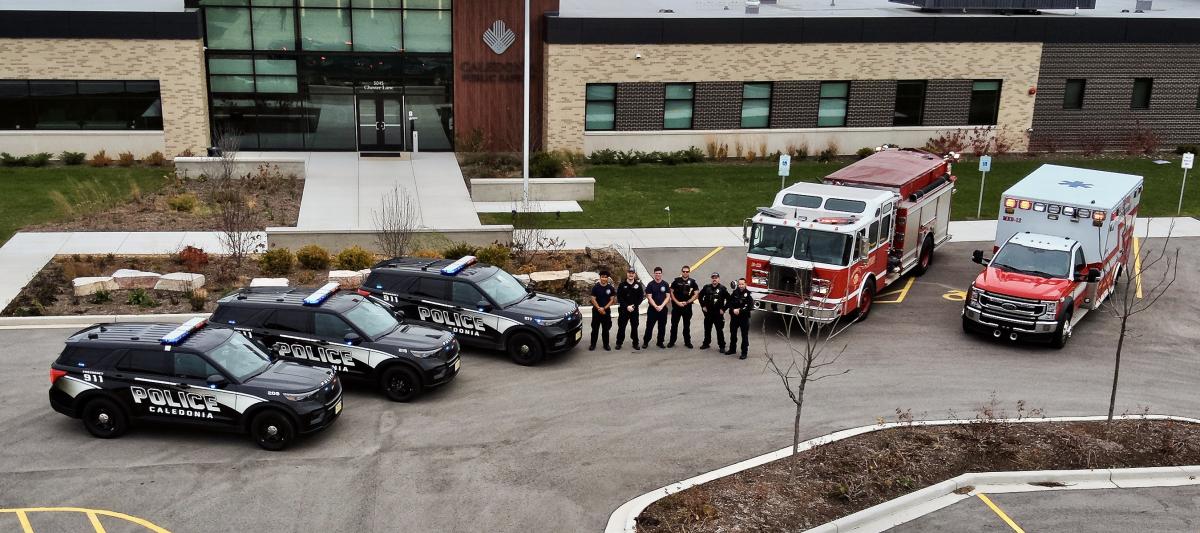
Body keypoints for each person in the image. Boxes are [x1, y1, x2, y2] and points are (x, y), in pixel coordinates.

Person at [668, 265, 700, 348]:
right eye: (684, 271)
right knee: (674, 325)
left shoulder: (693, 282)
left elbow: (696, 294)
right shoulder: (676, 281)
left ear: (689, 272)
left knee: (686, 326)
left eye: (687, 271)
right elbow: (671, 292)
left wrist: (688, 302)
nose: (685, 273)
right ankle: (672, 341)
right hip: (676, 307)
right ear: (681, 272)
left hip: (687, 307)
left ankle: (687, 342)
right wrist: (677, 302)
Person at [698, 272, 729, 352]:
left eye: (716, 278)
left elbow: (729, 300)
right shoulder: (706, 287)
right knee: (707, 329)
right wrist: (703, 306)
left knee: (719, 330)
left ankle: (722, 346)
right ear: (711, 279)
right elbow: (700, 296)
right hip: (708, 313)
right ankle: (706, 343)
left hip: (718, 314)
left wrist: (724, 309)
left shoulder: (723, 289)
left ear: (718, 279)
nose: (714, 279)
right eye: (713, 278)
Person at [615, 268, 643, 350]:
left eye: (632, 273)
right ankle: (619, 343)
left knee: (634, 327)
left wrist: (633, 306)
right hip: (624, 310)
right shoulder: (622, 285)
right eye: (629, 273)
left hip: (634, 310)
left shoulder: (638, 285)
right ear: (627, 274)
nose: (631, 274)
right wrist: (627, 306)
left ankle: (635, 343)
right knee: (622, 327)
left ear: (634, 274)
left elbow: (640, 298)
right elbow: (619, 298)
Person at [726, 278, 754, 359]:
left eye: (742, 284)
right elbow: (729, 303)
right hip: (734, 317)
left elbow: (750, 307)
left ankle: (744, 353)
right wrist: (733, 309)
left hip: (744, 318)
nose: (740, 286)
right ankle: (732, 349)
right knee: (733, 333)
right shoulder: (735, 293)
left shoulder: (748, 295)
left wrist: (740, 310)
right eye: (739, 284)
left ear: (745, 285)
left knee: (744, 336)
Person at [642, 267, 670, 349]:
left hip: (663, 309)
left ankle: (660, 342)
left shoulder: (665, 284)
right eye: (656, 273)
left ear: (661, 274)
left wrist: (661, 306)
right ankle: (646, 342)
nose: (658, 274)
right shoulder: (650, 284)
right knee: (649, 327)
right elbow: (649, 297)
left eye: (659, 273)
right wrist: (655, 306)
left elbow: (668, 296)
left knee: (662, 327)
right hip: (652, 310)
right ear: (654, 274)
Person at [588, 270, 615, 351]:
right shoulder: (595, 287)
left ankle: (606, 345)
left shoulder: (610, 288)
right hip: (596, 311)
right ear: (600, 277)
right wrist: (599, 308)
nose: (604, 279)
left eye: (605, 277)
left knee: (606, 329)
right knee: (595, 329)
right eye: (602, 277)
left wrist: (604, 308)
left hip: (606, 311)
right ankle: (593, 344)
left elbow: (612, 300)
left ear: (607, 278)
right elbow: (593, 299)